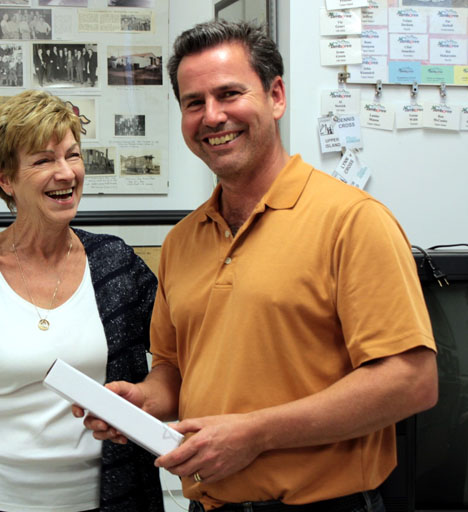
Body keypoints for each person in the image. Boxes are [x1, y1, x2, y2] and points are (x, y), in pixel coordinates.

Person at [79, 20, 439, 512]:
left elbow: (411, 381)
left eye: (229, 93)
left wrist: (257, 434)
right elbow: (175, 370)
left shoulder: (352, 221)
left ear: (276, 96)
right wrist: (142, 403)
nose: (211, 116)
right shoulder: (183, 241)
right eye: (193, 102)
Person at [0, 89, 164, 512]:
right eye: (44, 161)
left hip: (105, 501)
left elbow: (182, 346)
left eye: (72, 155)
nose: (66, 173)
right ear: (6, 179)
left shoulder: (116, 263)